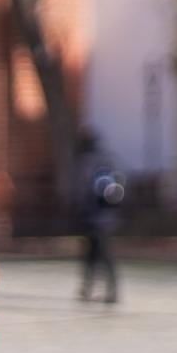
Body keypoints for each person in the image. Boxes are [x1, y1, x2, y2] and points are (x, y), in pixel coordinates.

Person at [76, 127, 123, 304]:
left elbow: (83, 191)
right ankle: (104, 290)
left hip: (94, 217)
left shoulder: (88, 162)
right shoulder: (108, 160)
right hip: (107, 216)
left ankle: (94, 289)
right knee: (98, 253)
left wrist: (81, 212)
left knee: (97, 253)